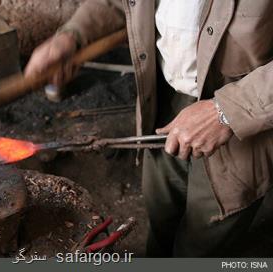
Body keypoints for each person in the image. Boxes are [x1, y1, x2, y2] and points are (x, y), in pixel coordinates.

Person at [24, 0, 273, 257]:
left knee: (203, 243)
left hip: (246, 118)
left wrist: (226, 111)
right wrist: (72, 35)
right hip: (164, 102)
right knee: (161, 214)